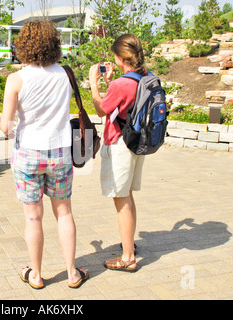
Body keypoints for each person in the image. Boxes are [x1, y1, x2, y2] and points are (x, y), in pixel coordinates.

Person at [0, 20, 88, 289]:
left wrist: (14, 128)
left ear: (23, 45)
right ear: (54, 43)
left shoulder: (16, 79)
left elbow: (6, 126)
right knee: (64, 213)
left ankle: (36, 275)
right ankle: (72, 273)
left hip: (28, 152)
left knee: (33, 217)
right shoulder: (65, 74)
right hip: (60, 151)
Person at [88, 33, 148, 272]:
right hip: (137, 143)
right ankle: (128, 245)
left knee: (121, 200)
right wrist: (111, 81)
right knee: (128, 196)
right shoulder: (144, 77)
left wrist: (94, 83)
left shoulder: (121, 84)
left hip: (120, 144)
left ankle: (128, 257)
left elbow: (102, 110)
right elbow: (123, 102)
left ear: (121, 58)